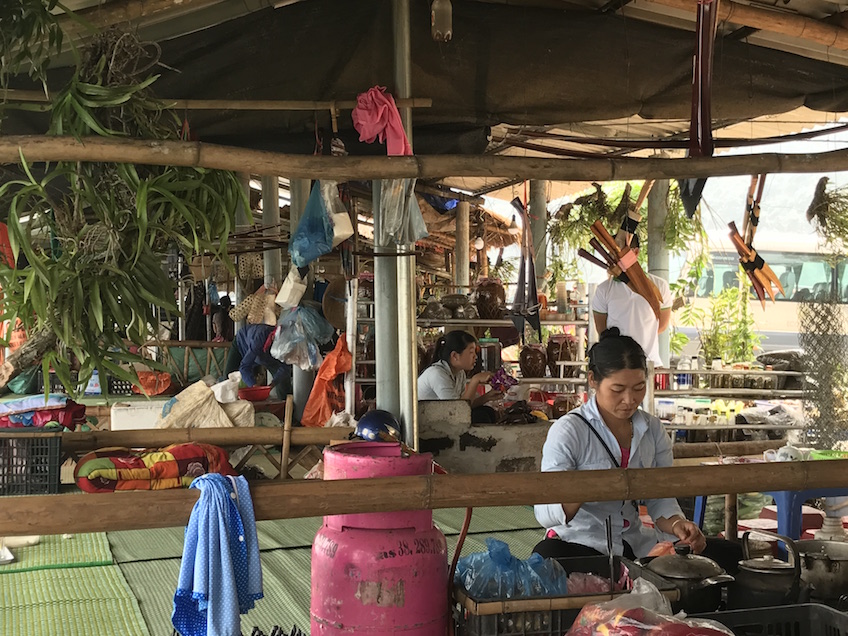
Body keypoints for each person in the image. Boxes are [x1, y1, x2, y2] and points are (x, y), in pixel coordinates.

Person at [533, 328, 742, 572]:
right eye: (617, 390)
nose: (630, 399)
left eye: (639, 387)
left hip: (635, 544)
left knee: (730, 555)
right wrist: (588, 486)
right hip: (581, 543)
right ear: (593, 380)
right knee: (547, 556)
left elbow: (660, 497)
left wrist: (677, 524)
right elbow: (545, 514)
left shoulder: (652, 429)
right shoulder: (569, 430)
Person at [592, 234, 672, 368]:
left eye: (620, 253)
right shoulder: (604, 289)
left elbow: (661, 325)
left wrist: (641, 336)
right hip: (617, 366)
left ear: (635, 252)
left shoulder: (659, 286)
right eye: (612, 254)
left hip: (649, 364)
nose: (615, 259)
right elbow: (602, 329)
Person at [418, 330, 503, 423]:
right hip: (427, 423)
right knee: (479, 417)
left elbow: (466, 404)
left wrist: (487, 397)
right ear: (455, 356)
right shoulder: (437, 374)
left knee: (487, 411)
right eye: (471, 352)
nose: (475, 356)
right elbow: (458, 409)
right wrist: (475, 380)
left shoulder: (459, 373)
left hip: (444, 416)